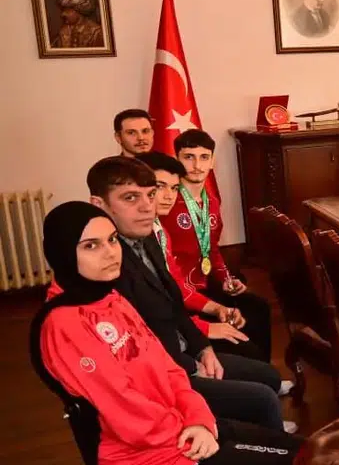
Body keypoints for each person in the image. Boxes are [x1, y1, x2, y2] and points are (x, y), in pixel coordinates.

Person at [30, 202, 334, 465]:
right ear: (61, 254)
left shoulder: (110, 298)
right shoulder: (63, 324)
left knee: (305, 452)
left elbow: (170, 371)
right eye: (91, 246)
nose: (109, 253)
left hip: (183, 436)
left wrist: (199, 419)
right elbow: (125, 412)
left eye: (111, 240)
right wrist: (191, 429)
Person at [88, 156, 287, 430]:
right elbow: (142, 339)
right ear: (99, 204)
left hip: (183, 349)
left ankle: (247, 426)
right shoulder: (108, 264)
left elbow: (173, 301)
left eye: (151, 195)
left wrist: (202, 347)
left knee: (268, 374)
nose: (148, 206)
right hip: (164, 373)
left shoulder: (146, 236)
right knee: (263, 399)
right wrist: (192, 365)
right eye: (131, 198)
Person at [160, 129, 273, 360]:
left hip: (205, 284)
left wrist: (226, 280)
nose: (197, 165)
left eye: (204, 157)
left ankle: (266, 371)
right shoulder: (166, 203)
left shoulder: (211, 202)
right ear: (177, 160)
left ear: (212, 161)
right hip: (181, 294)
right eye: (188, 157)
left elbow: (211, 248)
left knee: (258, 308)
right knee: (240, 336)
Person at [135, 152, 260, 355]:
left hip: (185, 305)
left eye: (174, 188)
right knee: (248, 351)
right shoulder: (136, 240)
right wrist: (202, 328)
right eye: (160, 187)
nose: (169, 196)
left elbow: (179, 283)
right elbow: (153, 308)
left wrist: (218, 308)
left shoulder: (159, 229)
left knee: (253, 317)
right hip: (162, 336)